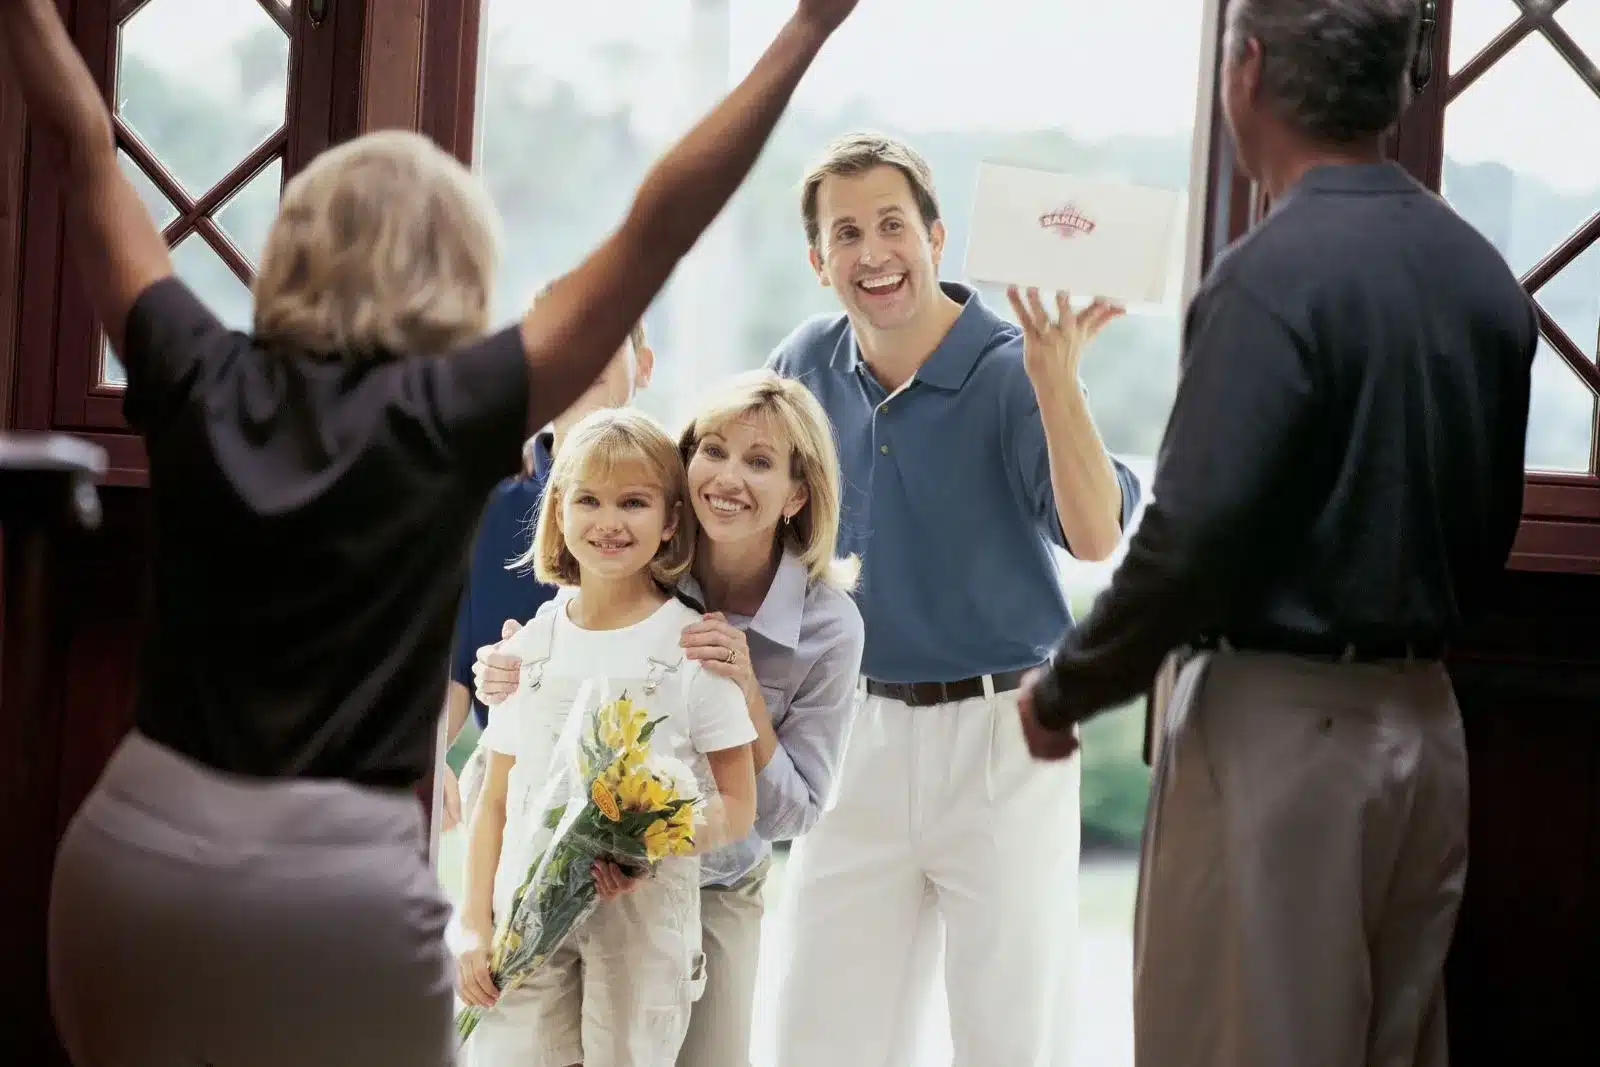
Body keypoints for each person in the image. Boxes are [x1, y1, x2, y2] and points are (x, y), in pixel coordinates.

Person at [1, 0, 862, 1062]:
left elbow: (85, 152)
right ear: (458, 274)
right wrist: (807, 29)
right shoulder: (458, 411)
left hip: (137, 862)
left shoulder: (194, 370)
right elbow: (656, 226)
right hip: (345, 895)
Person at [1018, 2, 1535, 1066]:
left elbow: (1189, 536)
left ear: (1245, 71)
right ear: (1397, 89)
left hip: (1281, 736)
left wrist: (1067, 685)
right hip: (1426, 730)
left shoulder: (1270, 273)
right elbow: (1487, 537)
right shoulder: (1482, 279)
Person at [766, 132, 1140, 1067]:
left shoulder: (1017, 367)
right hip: (851, 734)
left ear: (937, 237)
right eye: (845, 233)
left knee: (1010, 1035)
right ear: (819, 262)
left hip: (1003, 736)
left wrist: (1058, 380)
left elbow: (1096, 535)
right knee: (818, 1029)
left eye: (893, 224)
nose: (873, 252)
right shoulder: (803, 366)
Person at [472, 370, 866, 1067]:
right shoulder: (632, 566)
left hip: (714, 879)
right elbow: (525, 745)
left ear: (796, 494)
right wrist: (505, 667)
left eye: (761, 461)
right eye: (712, 450)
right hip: (571, 877)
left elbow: (790, 812)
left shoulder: (825, 624)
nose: (728, 477)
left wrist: (744, 693)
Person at [456, 408, 757, 1067]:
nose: (609, 521)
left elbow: (738, 804)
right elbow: (496, 802)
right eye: (588, 499)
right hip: (523, 915)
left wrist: (652, 843)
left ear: (671, 521)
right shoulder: (530, 644)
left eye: (634, 502)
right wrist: (473, 925)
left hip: (642, 921)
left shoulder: (691, 648)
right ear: (559, 511)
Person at [441, 320, 653, 831]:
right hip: (513, 796)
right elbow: (452, 673)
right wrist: (424, 762)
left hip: (647, 791)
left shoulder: (683, 499)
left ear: (643, 365)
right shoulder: (485, 503)